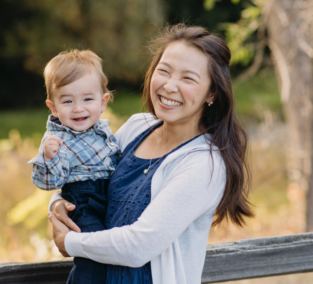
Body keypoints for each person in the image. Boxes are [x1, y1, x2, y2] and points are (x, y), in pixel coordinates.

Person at [48, 24, 253, 284]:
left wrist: (70, 242)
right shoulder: (136, 127)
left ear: (212, 93)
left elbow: (140, 245)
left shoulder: (204, 163)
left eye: (188, 78)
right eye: (164, 71)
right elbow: (84, 177)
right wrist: (57, 204)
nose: (169, 86)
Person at [28, 49, 120, 284]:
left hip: (109, 198)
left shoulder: (103, 130)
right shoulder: (56, 139)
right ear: (53, 107)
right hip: (83, 202)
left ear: (103, 102)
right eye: (68, 101)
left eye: (87, 99)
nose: (78, 108)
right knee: (92, 256)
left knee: (109, 256)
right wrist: (48, 158)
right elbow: (49, 183)